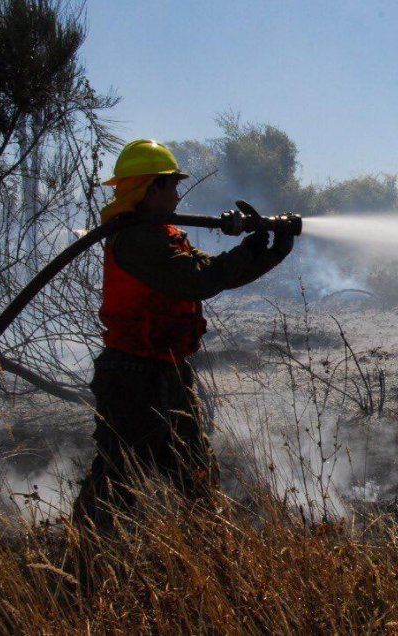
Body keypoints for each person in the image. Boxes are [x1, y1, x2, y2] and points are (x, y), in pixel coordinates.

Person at [72, 139, 294, 532]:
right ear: (149, 188)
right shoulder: (137, 239)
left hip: (167, 372)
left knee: (195, 475)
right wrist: (252, 245)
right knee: (116, 481)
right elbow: (199, 280)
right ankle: (81, 569)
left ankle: (212, 558)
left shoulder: (161, 234)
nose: (177, 194)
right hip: (131, 378)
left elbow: (213, 271)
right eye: (171, 185)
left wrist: (269, 249)